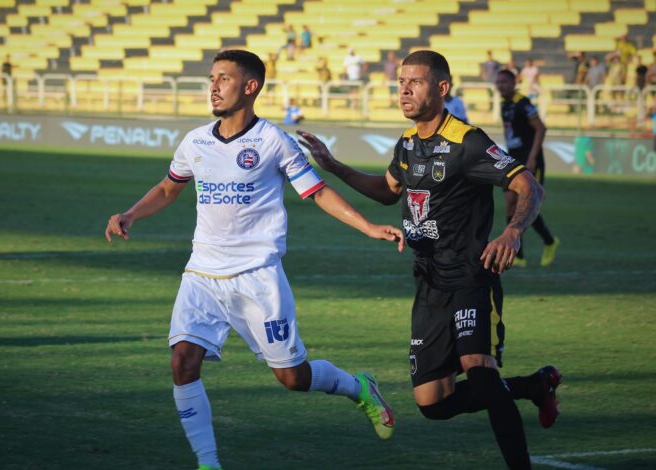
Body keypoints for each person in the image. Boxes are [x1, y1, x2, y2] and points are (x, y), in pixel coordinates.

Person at [105, 49, 399, 470]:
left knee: (292, 378)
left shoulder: (272, 141)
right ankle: (209, 464)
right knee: (182, 361)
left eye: (224, 78)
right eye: (211, 77)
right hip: (202, 274)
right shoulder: (196, 141)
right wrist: (131, 213)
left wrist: (369, 227)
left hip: (257, 277)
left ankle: (359, 388)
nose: (213, 85)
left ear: (250, 86)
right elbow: (169, 188)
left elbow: (317, 192)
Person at [298, 50, 562, 469]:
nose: (404, 88)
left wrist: (512, 231)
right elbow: (388, 191)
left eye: (415, 82)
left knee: (482, 375)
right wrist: (334, 166)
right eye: (401, 81)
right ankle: (534, 385)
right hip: (428, 283)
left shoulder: (467, 141)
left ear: (442, 88)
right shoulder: (407, 143)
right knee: (432, 404)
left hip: (472, 277)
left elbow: (529, 185)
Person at [495, 69, 559, 268]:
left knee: (526, 203)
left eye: (504, 82)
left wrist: (532, 157)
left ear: (514, 83)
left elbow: (541, 128)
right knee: (509, 204)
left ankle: (549, 242)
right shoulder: (504, 104)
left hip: (530, 159)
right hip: (513, 158)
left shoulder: (523, 103)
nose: (500, 85)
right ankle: (518, 255)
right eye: (498, 82)